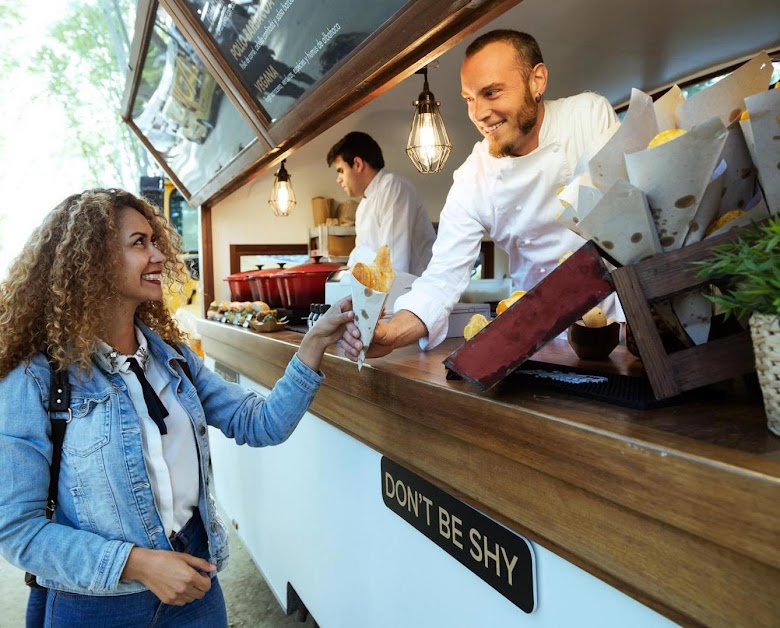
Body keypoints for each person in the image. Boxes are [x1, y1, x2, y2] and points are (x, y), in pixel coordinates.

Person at [0, 188, 353, 627]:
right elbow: (18, 529)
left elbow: (261, 423)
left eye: (154, 241)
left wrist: (315, 341)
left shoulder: (173, 360)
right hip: (96, 605)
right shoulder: (36, 379)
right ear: (91, 262)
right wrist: (138, 564)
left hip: (196, 587)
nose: (159, 256)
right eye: (138, 243)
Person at [339, 30, 619, 360]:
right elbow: (442, 277)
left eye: (491, 92)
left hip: (616, 328)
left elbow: (629, 226)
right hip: (536, 339)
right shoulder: (474, 175)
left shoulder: (586, 118)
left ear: (537, 81)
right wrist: (393, 332)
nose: (479, 113)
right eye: (469, 99)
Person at [327, 131, 436, 276]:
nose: (338, 179)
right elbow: (359, 259)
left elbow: (393, 262)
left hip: (416, 290)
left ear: (358, 164)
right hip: (383, 291)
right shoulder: (363, 206)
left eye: (341, 171)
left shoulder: (393, 187)